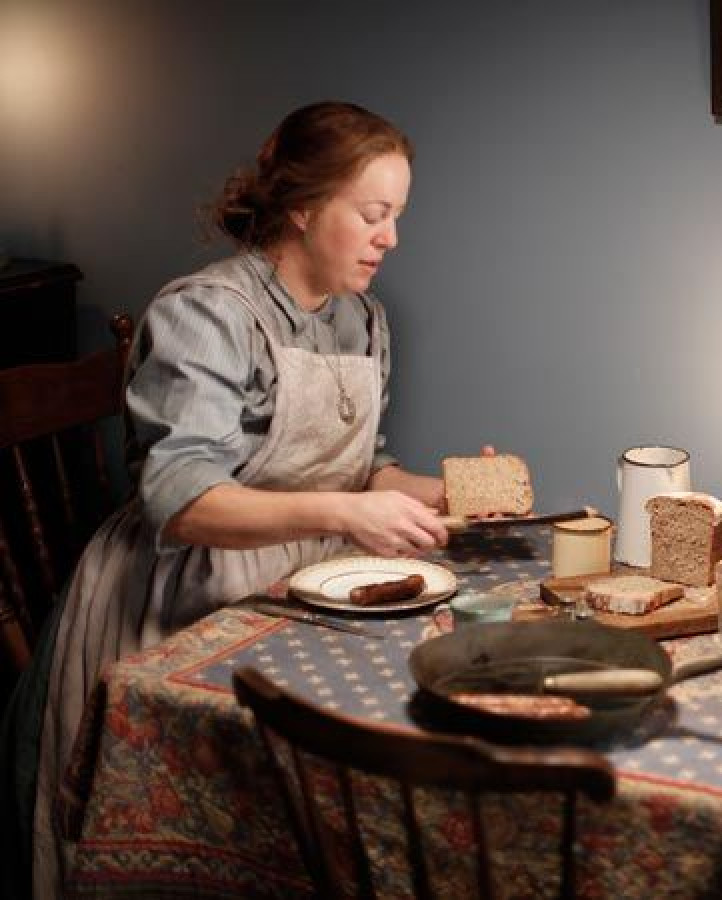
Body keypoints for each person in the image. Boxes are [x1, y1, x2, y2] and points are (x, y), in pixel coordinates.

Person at [1, 101, 456, 899]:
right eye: (374, 214)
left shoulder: (363, 320)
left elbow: (360, 469)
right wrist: (347, 516)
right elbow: (183, 503)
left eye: (398, 216)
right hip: (184, 591)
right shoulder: (209, 313)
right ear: (303, 206)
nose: (392, 238)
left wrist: (443, 491)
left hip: (308, 582)